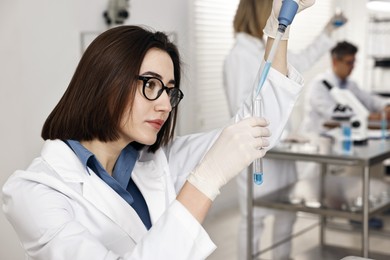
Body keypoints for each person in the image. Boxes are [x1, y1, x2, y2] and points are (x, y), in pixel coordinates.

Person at [2, 0, 314, 258]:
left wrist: (278, 30)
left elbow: (257, 128)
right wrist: (204, 182)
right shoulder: (35, 193)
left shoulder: (157, 161)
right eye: (151, 85)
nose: (165, 104)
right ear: (105, 83)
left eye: (170, 90)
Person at [223, 0, 346, 258]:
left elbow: (299, 61)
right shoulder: (239, 56)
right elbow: (245, 110)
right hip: (259, 157)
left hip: (281, 154)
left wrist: (326, 32)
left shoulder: (266, 47)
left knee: (286, 215)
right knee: (254, 221)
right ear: (262, 11)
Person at [302, 40, 390, 134]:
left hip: (342, 137)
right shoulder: (320, 84)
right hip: (317, 137)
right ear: (335, 62)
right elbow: (333, 113)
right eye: (349, 63)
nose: (352, 67)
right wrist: (369, 116)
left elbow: (370, 100)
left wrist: (386, 106)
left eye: (354, 62)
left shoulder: (351, 85)